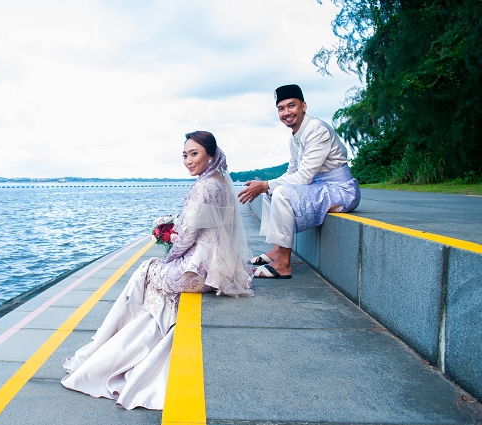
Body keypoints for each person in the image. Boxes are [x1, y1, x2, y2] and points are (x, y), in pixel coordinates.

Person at [61, 131, 253, 410]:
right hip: (219, 268)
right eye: (185, 155)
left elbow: (187, 235)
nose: (188, 160)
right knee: (151, 278)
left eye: (194, 153)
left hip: (197, 272)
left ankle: (108, 348)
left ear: (211, 155)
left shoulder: (203, 187)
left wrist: (169, 257)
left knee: (145, 271)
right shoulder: (221, 182)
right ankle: (123, 342)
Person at [237, 84, 360, 278]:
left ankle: (284, 264)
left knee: (281, 191)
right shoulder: (294, 137)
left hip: (340, 190)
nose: (286, 112)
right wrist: (265, 187)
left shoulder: (317, 130)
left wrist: (265, 184)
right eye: (281, 108)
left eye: (291, 106)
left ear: (304, 106)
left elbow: (304, 176)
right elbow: (292, 172)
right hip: (318, 186)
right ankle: (277, 251)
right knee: (271, 191)